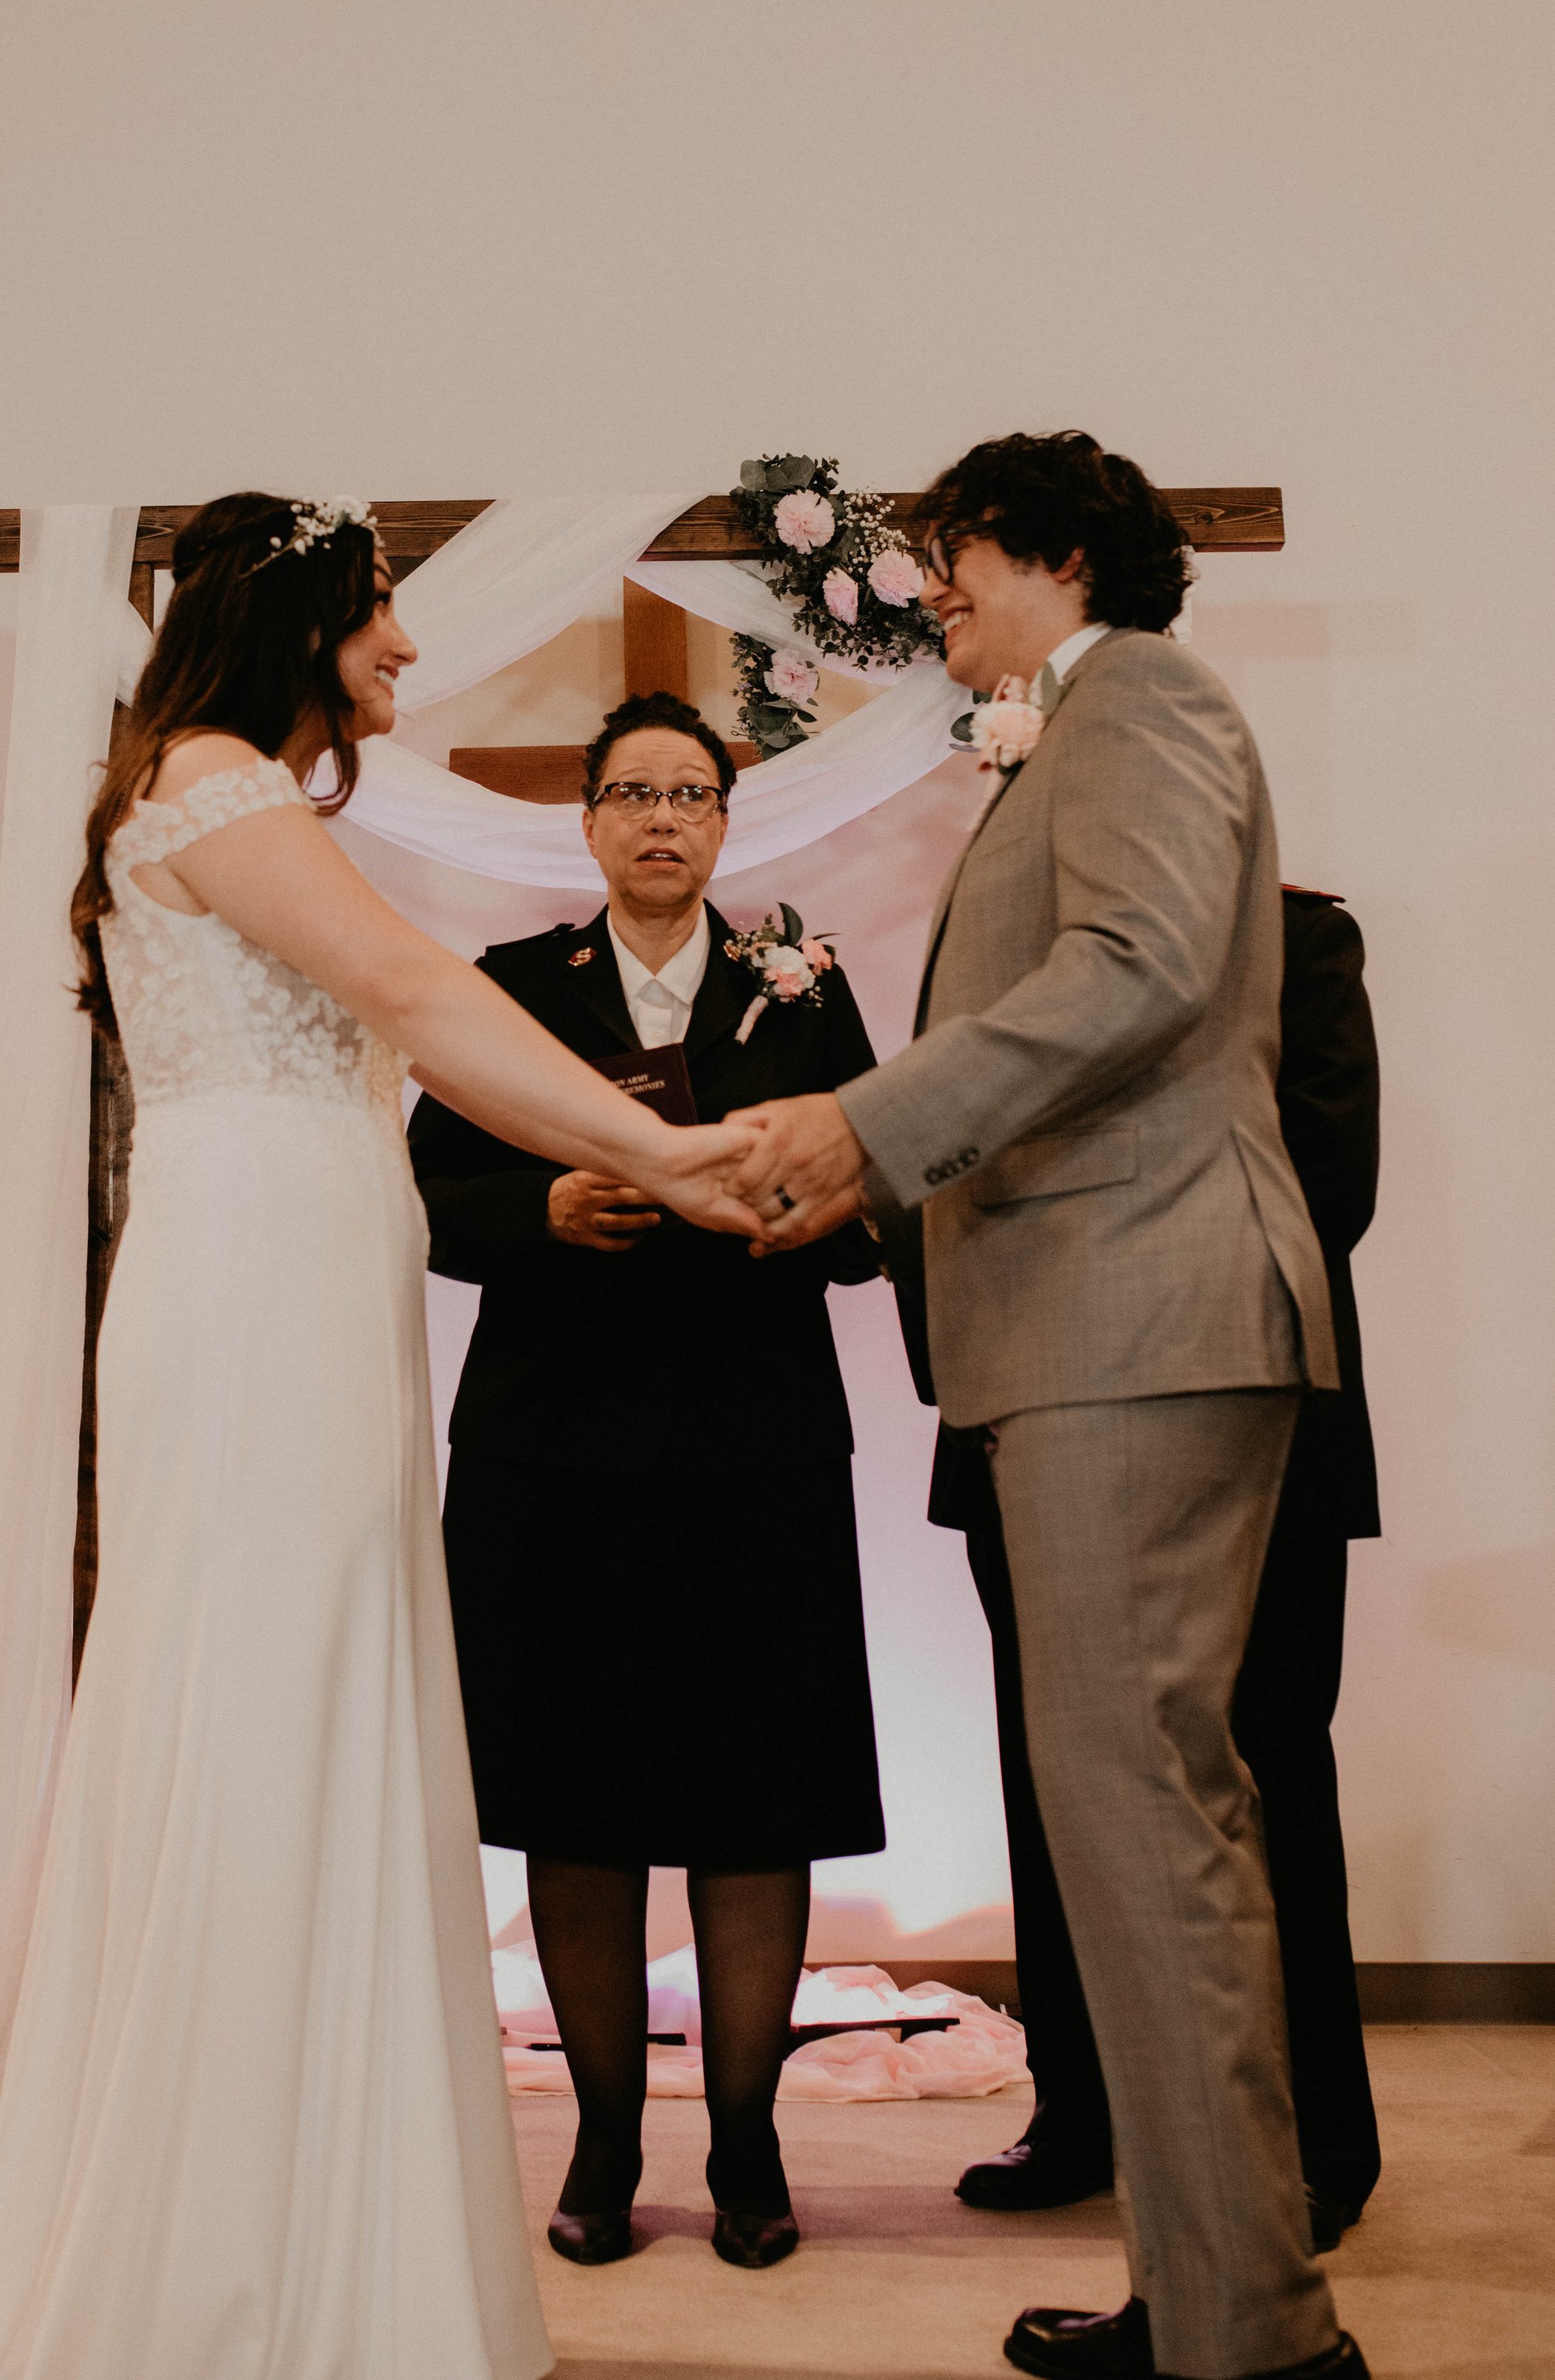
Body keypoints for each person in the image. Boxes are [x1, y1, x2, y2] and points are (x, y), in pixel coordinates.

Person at [0, 496, 756, 2380]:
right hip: (259, 1293)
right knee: (262, 1706)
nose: (406, 655)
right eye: (377, 618)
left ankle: (328, 2232)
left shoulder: (224, 791)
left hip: (295, 1281)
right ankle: (236, 2257)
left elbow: (401, 1024)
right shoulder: (209, 787)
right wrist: (657, 1145)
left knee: (317, 1695)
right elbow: (422, 1002)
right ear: (288, 621)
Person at [727, 432, 1369, 2380]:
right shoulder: (1061, 727)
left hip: (1141, 1323)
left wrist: (868, 1123)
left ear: (1054, 555)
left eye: (952, 558)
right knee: (1131, 1834)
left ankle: (1254, 2342)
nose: (932, 592)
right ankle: (1208, 2296)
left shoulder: (1143, 695)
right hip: (1100, 1331)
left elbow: (1142, 966)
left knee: (1146, 1826)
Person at [408, 692, 887, 2275]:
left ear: (724, 822)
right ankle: (604, 2137)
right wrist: (534, 1212)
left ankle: (746, 2141)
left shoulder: (797, 985)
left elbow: (879, 1183)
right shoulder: (509, 987)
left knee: (758, 1806)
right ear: (589, 820)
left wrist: (803, 1211)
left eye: (688, 792)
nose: (658, 818)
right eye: (629, 793)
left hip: (753, 1446)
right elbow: (428, 1187)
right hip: (554, 1455)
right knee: (580, 1805)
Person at [892, 884, 1382, 2249]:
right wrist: (970, 1354)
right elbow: (931, 1155)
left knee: (1266, 1772)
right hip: (1023, 1412)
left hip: (1244, 1420)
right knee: (1056, 1774)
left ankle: (1311, 2141)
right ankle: (1082, 2110)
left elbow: (1327, 1183)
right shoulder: (997, 944)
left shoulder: (1299, 936)